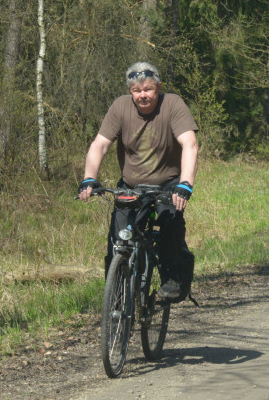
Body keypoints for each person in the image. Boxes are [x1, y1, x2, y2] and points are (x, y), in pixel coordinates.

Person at [78, 62, 200, 302]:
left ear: (158, 87)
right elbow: (99, 145)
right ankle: (117, 291)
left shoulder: (173, 104)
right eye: (136, 90)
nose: (143, 95)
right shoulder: (120, 107)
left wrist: (185, 183)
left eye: (148, 89)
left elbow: (190, 144)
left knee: (171, 224)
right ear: (130, 91)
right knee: (118, 238)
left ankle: (172, 278)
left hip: (168, 183)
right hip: (132, 185)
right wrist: (89, 179)